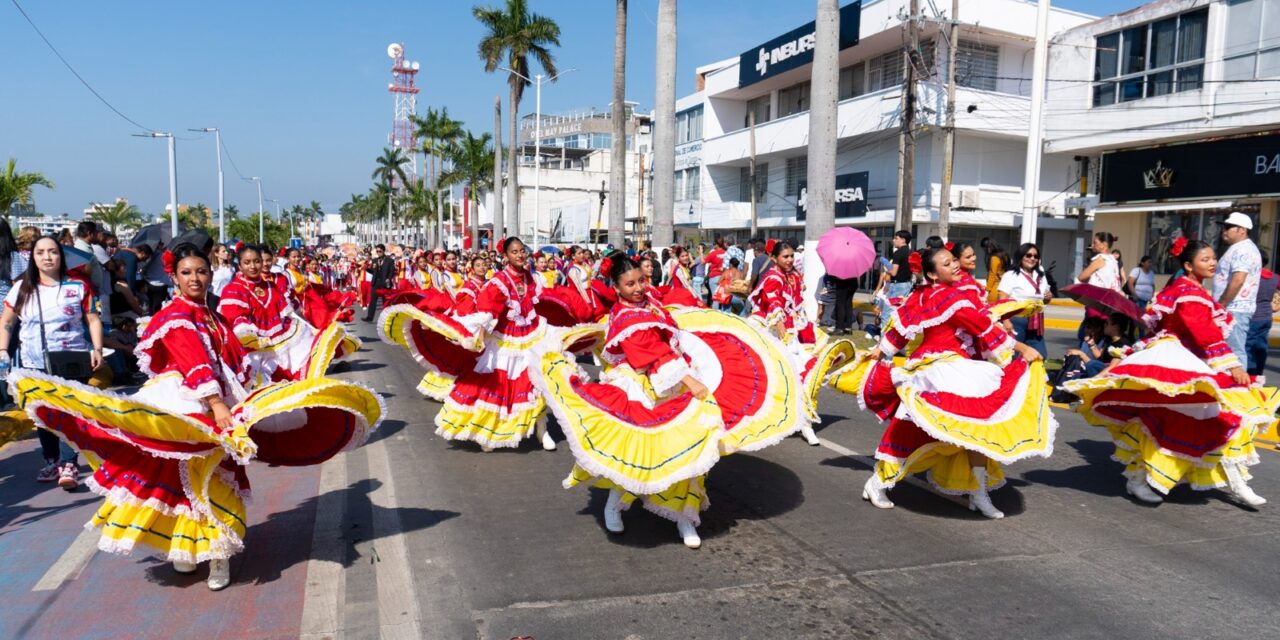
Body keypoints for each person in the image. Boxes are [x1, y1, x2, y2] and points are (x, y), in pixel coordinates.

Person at [9, 242, 382, 591]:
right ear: (174, 277)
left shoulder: (212, 315)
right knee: (182, 477)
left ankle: (218, 554)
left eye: (201, 272)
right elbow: (194, 363)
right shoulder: (176, 316)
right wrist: (217, 404)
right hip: (188, 407)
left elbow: (235, 358)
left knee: (216, 477)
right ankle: (187, 549)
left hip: (221, 406)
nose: (195, 279)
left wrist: (261, 385)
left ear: (209, 273)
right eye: (187, 272)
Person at [541, 255, 809, 549]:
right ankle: (614, 505)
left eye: (641, 281)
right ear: (616, 288)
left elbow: (671, 320)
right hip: (642, 387)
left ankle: (685, 515)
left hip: (674, 378)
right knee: (638, 453)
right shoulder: (625, 319)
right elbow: (652, 356)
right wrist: (692, 382)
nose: (638, 288)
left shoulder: (649, 303)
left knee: (693, 451)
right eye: (629, 284)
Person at [837, 246, 1055, 518]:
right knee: (915, 431)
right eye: (946, 263)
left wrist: (881, 350)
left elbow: (903, 333)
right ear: (931, 273)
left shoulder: (941, 294)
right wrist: (1022, 349)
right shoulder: (946, 298)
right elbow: (981, 329)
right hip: (938, 371)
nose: (954, 266)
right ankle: (877, 483)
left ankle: (978, 493)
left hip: (959, 366)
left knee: (978, 431)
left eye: (953, 261)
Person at [1064, 239, 1276, 506]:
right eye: (1205, 259)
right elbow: (1203, 331)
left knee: (1214, 417)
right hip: (1179, 360)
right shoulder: (1189, 292)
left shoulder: (1186, 289)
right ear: (1188, 265)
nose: (1212, 263)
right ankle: (1143, 478)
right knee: (1186, 418)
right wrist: (1232, 365)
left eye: (1213, 258)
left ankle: (1234, 481)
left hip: (1191, 361)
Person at [0, 236, 104, 491]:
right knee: (42, 415)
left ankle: (69, 462)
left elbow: (92, 319)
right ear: (33, 258)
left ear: (61, 256)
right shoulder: (22, 288)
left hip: (71, 360)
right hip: (33, 361)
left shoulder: (79, 286)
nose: (47, 257)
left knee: (69, 412)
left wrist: (98, 348)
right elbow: (7, 322)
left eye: (53, 252)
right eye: (41, 252)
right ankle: (52, 460)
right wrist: (3, 349)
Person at [434, 237, 555, 451]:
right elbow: (487, 310)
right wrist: (477, 335)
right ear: (506, 256)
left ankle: (541, 428)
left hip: (532, 335)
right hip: (505, 339)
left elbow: (536, 303)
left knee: (537, 381)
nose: (520, 255)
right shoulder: (499, 280)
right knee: (496, 384)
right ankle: (488, 430)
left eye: (522, 251)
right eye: (515, 252)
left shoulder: (529, 277)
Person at [749, 240, 853, 445]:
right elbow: (774, 302)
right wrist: (779, 323)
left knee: (805, 374)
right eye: (784, 257)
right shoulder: (773, 277)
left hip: (798, 330)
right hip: (779, 332)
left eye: (790, 256)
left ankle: (803, 421)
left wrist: (805, 324)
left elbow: (796, 303)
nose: (789, 260)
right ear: (774, 259)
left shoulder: (794, 275)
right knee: (783, 376)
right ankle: (789, 419)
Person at [1213, 211, 1262, 369]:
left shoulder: (1243, 250)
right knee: (1226, 353)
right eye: (1224, 227)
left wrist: (1221, 305)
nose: (1224, 231)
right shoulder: (1238, 248)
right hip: (1232, 308)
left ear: (1243, 230)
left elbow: (1238, 279)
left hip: (1234, 309)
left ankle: (1238, 390)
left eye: (1228, 227)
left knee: (1234, 353)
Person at [997, 243, 1052, 358]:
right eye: (1028, 255)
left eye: (1036, 256)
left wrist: (1048, 297)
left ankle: (1030, 376)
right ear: (1021, 256)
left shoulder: (1040, 275)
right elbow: (1002, 299)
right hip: (1017, 319)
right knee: (1013, 355)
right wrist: (1006, 321)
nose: (1032, 258)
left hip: (1036, 320)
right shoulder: (1011, 275)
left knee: (1040, 355)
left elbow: (1044, 298)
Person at [1246, 253, 1280, 376]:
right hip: (1266, 316)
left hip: (1252, 316)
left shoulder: (1251, 277)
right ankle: (1259, 372)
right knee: (1261, 346)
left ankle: (1251, 373)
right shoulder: (1275, 277)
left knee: (1248, 347)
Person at [880, 231, 914, 325]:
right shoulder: (911, 252)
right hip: (907, 284)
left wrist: (887, 269)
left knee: (887, 314)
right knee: (899, 314)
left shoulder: (898, 253)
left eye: (896, 238)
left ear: (903, 240)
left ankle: (884, 337)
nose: (893, 240)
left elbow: (894, 272)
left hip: (897, 286)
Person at [362, 244, 396, 322]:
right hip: (376, 283)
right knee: (372, 301)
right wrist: (367, 269)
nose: (378, 253)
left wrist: (389, 278)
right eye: (377, 251)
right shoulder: (375, 260)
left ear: (383, 251)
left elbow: (392, 271)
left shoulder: (389, 260)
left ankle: (386, 318)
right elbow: (373, 271)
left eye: (380, 251)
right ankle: (369, 317)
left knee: (385, 301)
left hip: (385, 283)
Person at [980, 238, 1008, 305]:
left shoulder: (994, 258)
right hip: (1004, 287)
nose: (984, 251)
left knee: (992, 310)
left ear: (989, 247)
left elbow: (992, 275)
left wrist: (987, 290)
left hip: (995, 288)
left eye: (984, 249)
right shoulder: (1004, 255)